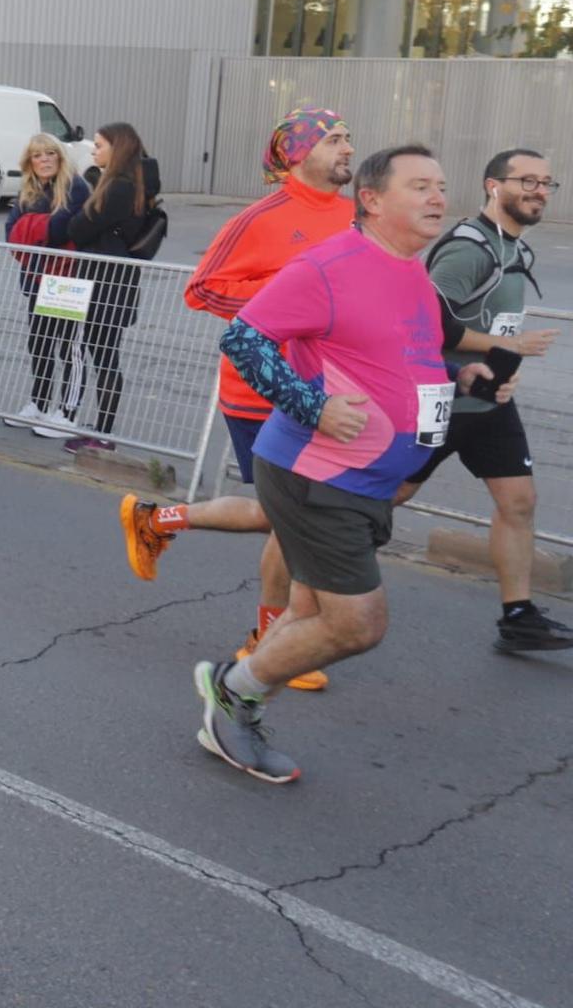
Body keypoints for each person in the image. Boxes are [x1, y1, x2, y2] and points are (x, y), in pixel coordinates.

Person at [195, 144, 508, 784]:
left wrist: (460, 372)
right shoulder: (329, 264)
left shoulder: (410, 271)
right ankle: (233, 696)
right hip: (318, 475)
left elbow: (399, 355)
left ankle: (233, 691)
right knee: (359, 624)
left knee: (310, 615)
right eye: (420, 186)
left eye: (441, 186)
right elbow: (243, 338)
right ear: (371, 199)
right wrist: (311, 405)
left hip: (369, 483)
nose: (438, 198)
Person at [122, 110, 354, 692]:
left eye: (348, 137)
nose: (348, 147)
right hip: (262, 391)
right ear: (298, 153)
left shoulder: (357, 215)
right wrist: (290, 302)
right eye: (333, 139)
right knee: (294, 518)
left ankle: (157, 520)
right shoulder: (262, 217)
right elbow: (202, 289)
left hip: (330, 391)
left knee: (283, 516)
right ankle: (271, 640)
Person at [392, 148, 569, 652]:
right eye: (527, 180)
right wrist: (508, 347)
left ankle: (518, 617)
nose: (539, 191)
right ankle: (319, 567)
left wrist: (504, 369)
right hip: (441, 399)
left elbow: (490, 323)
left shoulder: (516, 247)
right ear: (494, 185)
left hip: (490, 404)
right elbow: (428, 321)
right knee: (391, 495)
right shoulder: (470, 249)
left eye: (546, 182)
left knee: (519, 502)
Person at [49, 122, 158, 454]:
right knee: (103, 355)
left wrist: (79, 217)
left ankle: (103, 432)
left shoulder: (118, 188)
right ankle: (101, 430)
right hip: (113, 281)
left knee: (100, 355)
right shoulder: (132, 185)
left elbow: (78, 229)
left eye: (99, 145)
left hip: (103, 281)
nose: (93, 150)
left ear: (117, 148)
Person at [3, 133, 92, 439]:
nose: (44, 160)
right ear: (30, 161)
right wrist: (34, 228)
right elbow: (10, 232)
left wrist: (30, 226)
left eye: (50, 153)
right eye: (38, 155)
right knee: (39, 342)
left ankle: (67, 413)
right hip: (36, 276)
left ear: (60, 157)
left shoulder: (75, 187)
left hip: (65, 279)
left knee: (67, 345)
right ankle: (39, 403)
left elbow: (59, 229)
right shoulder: (28, 190)